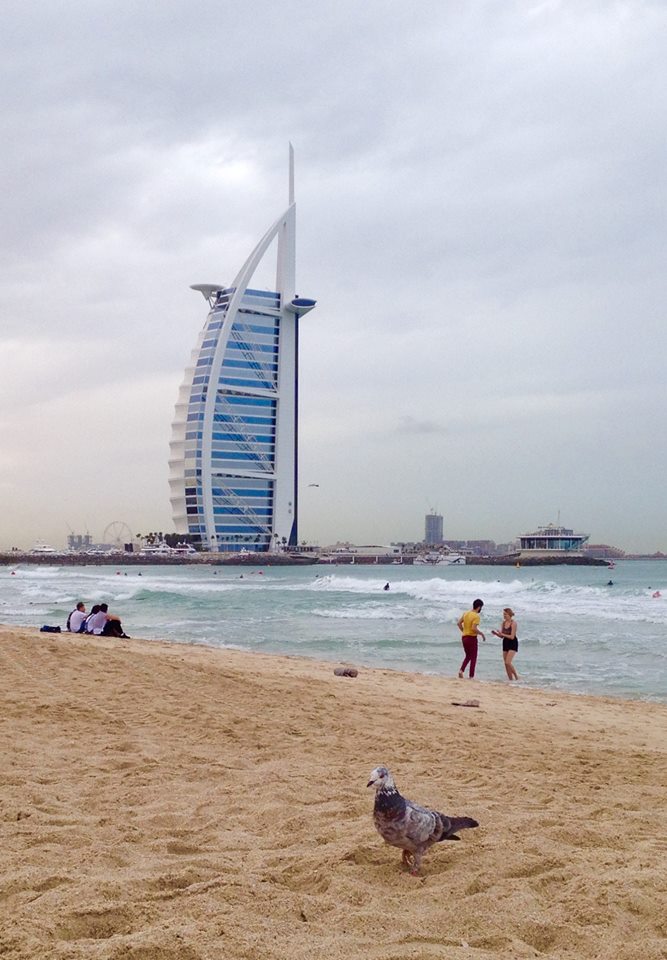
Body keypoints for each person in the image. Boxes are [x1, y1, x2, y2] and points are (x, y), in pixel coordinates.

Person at [457, 599, 485, 679]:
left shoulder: (466, 613)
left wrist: (464, 631)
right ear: (479, 607)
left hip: (464, 637)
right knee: (473, 657)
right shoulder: (476, 616)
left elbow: (458, 623)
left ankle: (461, 670)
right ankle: (471, 676)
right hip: (472, 638)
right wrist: (481, 633)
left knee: (468, 656)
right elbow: (473, 628)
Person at [492, 607, 519, 681]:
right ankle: (510, 679)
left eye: (505, 614)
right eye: (503, 614)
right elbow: (501, 636)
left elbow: (512, 636)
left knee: (508, 662)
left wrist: (502, 634)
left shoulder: (513, 623)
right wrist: (496, 634)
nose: (504, 616)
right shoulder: (503, 623)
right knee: (505, 664)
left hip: (513, 643)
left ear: (509, 614)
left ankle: (516, 677)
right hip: (505, 643)